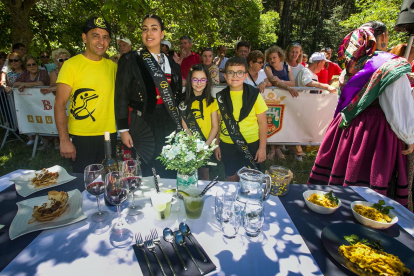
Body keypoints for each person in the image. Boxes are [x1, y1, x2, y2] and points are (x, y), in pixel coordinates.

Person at [308, 21, 414, 212]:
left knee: (340, 177)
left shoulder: (351, 65)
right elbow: (398, 106)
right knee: (368, 185)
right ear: (382, 37)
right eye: (387, 36)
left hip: (346, 128)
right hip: (374, 132)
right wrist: (409, 137)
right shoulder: (391, 66)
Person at [115, 14, 183, 178]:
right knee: (146, 167)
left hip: (168, 120)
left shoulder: (170, 61)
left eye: (154, 29)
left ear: (162, 34)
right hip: (143, 122)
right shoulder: (131, 59)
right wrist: (123, 130)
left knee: (169, 165)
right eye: (145, 29)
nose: (149, 33)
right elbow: (121, 96)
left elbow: (177, 94)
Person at [55, 17, 117, 172]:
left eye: (105, 37)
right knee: (84, 186)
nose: (101, 42)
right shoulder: (71, 65)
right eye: (95, 36)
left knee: (109, 182)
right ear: (84, 37)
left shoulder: (113, 67)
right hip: (81, 137)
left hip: (109, 135)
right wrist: (64, 140)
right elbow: (59, 104)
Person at [214, 57, 268, 181]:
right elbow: (216, 123)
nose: (235, 76)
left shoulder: (254, 95)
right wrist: (216, 145)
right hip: (227, 142)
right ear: (225, 76)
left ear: (245, 76)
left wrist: (262, 147)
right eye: (231, 72)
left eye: (239, 72)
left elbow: (263, 122)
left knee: (250, 177)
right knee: (231, 175)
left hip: (251, 142)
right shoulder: (220, 97)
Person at [180, 64, 218, 180]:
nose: (199, 83)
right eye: (195, 79)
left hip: (206, 144)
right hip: (190, 144)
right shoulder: (183, 102)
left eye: (202, 80)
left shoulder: (212, 102)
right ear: (190, 81)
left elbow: (215, 127)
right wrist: (194, 144)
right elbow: (184, 125)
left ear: (207, 81)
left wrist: (205, 146)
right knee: (189, 173)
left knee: (204, 173)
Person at [263, 46, 299, 160]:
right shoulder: (267, 67)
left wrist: (282, 82)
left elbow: (293, 82)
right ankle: (272, 149)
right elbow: (273, 81)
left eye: (274, 57)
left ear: (280, 57)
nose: (272, 60)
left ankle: (278, 148)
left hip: (286, 100)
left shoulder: (287, 66)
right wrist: (287, 87)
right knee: (272, 122)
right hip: (273, 99)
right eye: (270, 58)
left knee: (283, 123)